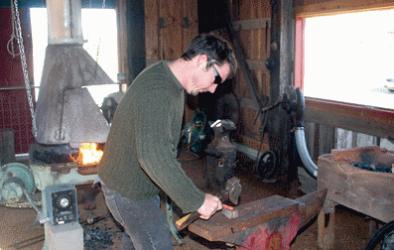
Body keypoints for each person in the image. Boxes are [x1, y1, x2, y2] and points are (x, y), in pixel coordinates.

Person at [98, 33, 237, 250]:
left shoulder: (169, 82)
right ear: (202, 61)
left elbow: (162, 149)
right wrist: (197, 200)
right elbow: (154, 157)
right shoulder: (159, 91)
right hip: (127, 192)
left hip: (137, 187)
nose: (213, 88)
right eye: (217, 78)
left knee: (136, 240)